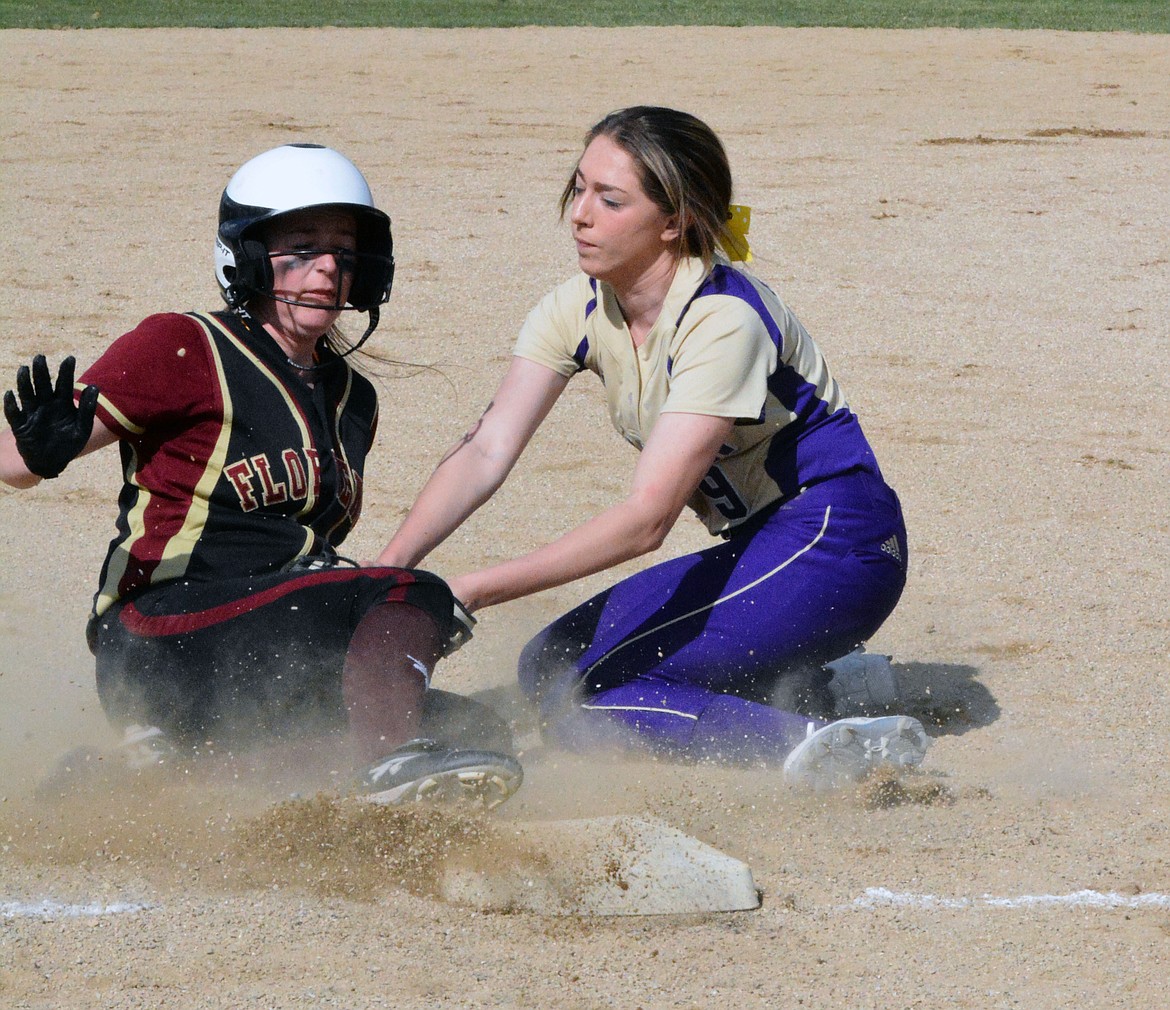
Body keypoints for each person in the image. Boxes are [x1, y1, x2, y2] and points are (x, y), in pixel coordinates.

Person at [375, 107, 930, 791]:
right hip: (760, 547)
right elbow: (487, 449)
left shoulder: (722, 318)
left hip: (836, 543)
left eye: (610, 200)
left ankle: (832, 747)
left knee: (584, 698)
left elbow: (647, 521)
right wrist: (388, 571)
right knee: (547, 666)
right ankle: (820, 687)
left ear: (674, 221)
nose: (579, 214)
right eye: (578, 188)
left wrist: (466, 591)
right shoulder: (577, 308)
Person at [1, 143, 522, 809]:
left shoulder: (351, 398)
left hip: (267, 650)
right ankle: (389, 770)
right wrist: (42, 448)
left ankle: (149, 788)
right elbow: (11, 464)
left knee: (474, 730)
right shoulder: (184, 345)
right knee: (408, 590)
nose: (329, 268)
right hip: (159, 638)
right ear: (245, 257)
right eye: (302, 247)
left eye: (343, 250)